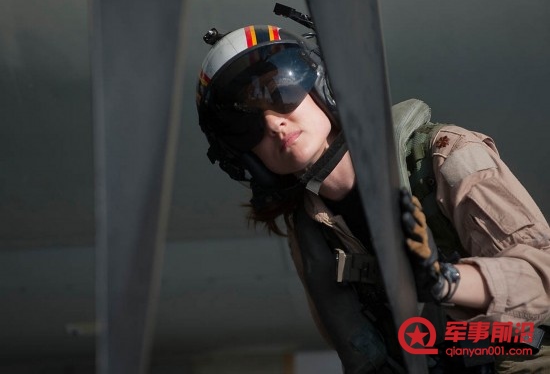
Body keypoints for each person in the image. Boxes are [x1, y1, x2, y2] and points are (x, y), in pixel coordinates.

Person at [195, 23, 550, 373]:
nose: (274, 124)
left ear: (322, 86)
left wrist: (444, 280)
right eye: (248, 125)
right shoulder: (310, 231)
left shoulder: (443, 156)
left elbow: (542, 279)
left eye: (280, 93)